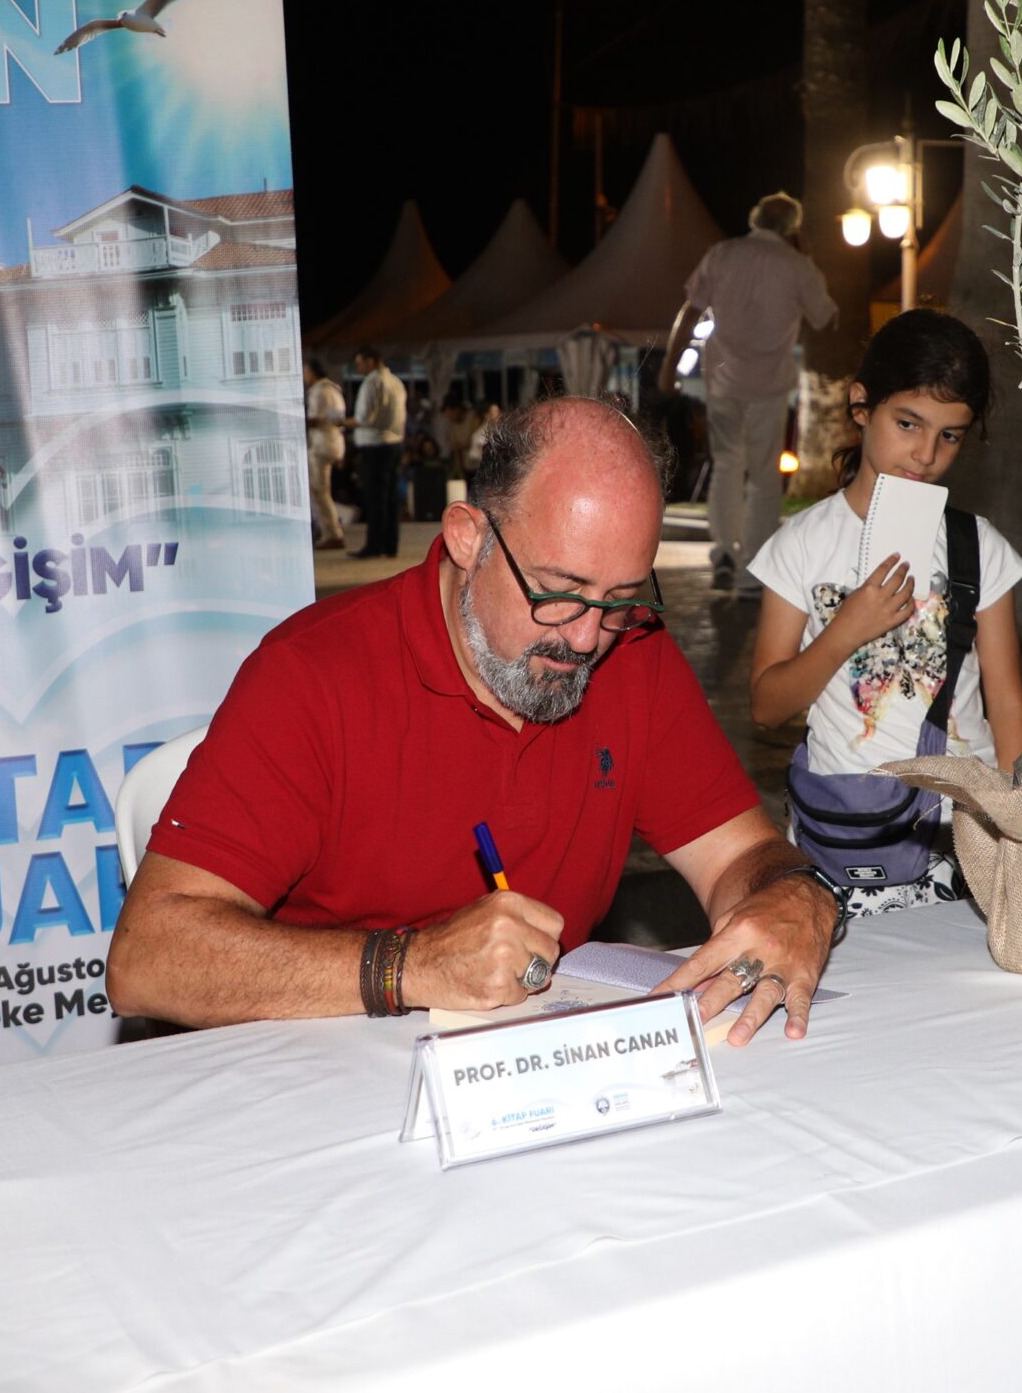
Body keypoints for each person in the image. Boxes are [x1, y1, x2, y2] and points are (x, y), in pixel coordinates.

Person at [105, 397, 839, 1040]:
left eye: (618, 597)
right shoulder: (313, 676)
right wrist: (411, 966)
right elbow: (149, 958)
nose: (585, 639)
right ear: (467, 537)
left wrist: (793, 895)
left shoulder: (632, 654)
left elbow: (741, 857)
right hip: (313, 1079)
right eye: (558, 591)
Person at [747, 311, 1022, 917]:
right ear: (861, 405)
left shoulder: (977, 546)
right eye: (908, 423)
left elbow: (1006, 702)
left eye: (950, 436)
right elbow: (767, 706)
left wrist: (1020, 826)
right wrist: (846, 630)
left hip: (962, 831)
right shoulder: (803, 543)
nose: (925, 453)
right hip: (844, 824)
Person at [661, 193, 835, 596]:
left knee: (726, 465)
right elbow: (825, 317)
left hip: (724, 379)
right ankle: (753, 568)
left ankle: (723, 550)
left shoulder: (722, 254)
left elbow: (690, 311)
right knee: (763, 477)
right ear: (791, 226)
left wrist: (670, 368)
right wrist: (805, 254)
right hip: (770, 382)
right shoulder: (796, 265)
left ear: (755, 218)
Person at [342, 348, 406, 560]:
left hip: (375, 446)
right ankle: (390, 544)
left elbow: (363, 418)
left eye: (360, 363)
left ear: (370, 362)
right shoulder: (396, 382)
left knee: (376, 498)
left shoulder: (372, 383)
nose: (358, 368)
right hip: (394, 444)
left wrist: (341, 422)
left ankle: (374, 545)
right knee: (390, 497)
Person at [302, 358, 347, 552]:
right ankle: (330, 531)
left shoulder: (318, 392)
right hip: (335, 442)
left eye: (305, 372)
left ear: (312, 372)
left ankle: (332, 533)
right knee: (323, 491)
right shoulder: (334, 389)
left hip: (321, 444)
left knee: (319, 492)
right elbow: (338, 420)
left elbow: (314, 419)